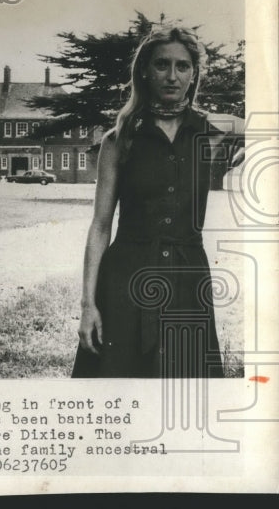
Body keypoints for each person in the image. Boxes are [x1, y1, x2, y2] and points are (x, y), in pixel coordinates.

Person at [72, 26, 244, 378]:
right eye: (162, 64)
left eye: (183, 66)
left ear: (194, 74)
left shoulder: (211, 131)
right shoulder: (119, 140)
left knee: (187, 393)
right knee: (119, 389)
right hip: (125, 280)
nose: (172, 76)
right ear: (145, 72)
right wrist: (88, 305)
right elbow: (100, 226)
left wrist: (247, 151)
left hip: (187, 280)